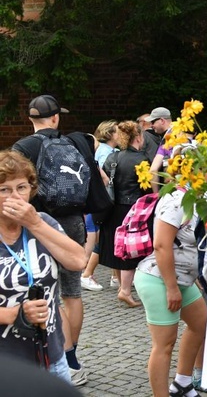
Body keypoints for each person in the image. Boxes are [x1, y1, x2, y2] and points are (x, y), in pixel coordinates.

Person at [12, 95, 89, 386]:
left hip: (37, 222)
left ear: (30, 119)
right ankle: (71, 359)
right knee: (72, 293)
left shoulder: (23, 147)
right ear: (56, 117)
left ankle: (53, 352)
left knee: (47, 293)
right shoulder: (76, 142)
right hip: (72, 221)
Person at [0, 151, 86, 382]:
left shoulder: (43, 223)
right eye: (4, 190)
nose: (15, 197)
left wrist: (35, 223)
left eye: (21, 187)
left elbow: (78, 261)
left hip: (51, 356)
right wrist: (12, 314)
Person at [134, 186, 207, 397]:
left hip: (183, 280)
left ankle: (182, 384)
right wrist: (171, 288)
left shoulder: (201, 197)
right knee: (164, 344)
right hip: (159, 279)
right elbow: (161, 245)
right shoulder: (177, 200)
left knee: (201, 324)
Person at [101, 121, 151, 307]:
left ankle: (124, 287)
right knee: (133, 250)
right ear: (138, 137)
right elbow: (147, 190)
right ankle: (126, 290)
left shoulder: (113, 158)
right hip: (135, 209)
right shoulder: (143, 159)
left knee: (121, 249)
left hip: (114, 208)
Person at [81, 120, 120, 292]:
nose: (120, 135)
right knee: (97, 237)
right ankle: (86, 274)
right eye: (118, 132)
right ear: (110, 134)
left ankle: (115, 277)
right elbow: (106, 179)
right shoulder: (104, 154)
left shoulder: (110, 151)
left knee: (108, 236)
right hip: (101, 202)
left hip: (99, 202)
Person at [147, 107, 173, 193]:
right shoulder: (183, 132)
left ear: (162, 120)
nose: (151, 126)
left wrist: (156, 194)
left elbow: (153, 170)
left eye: (153, 122)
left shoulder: (167, 139)